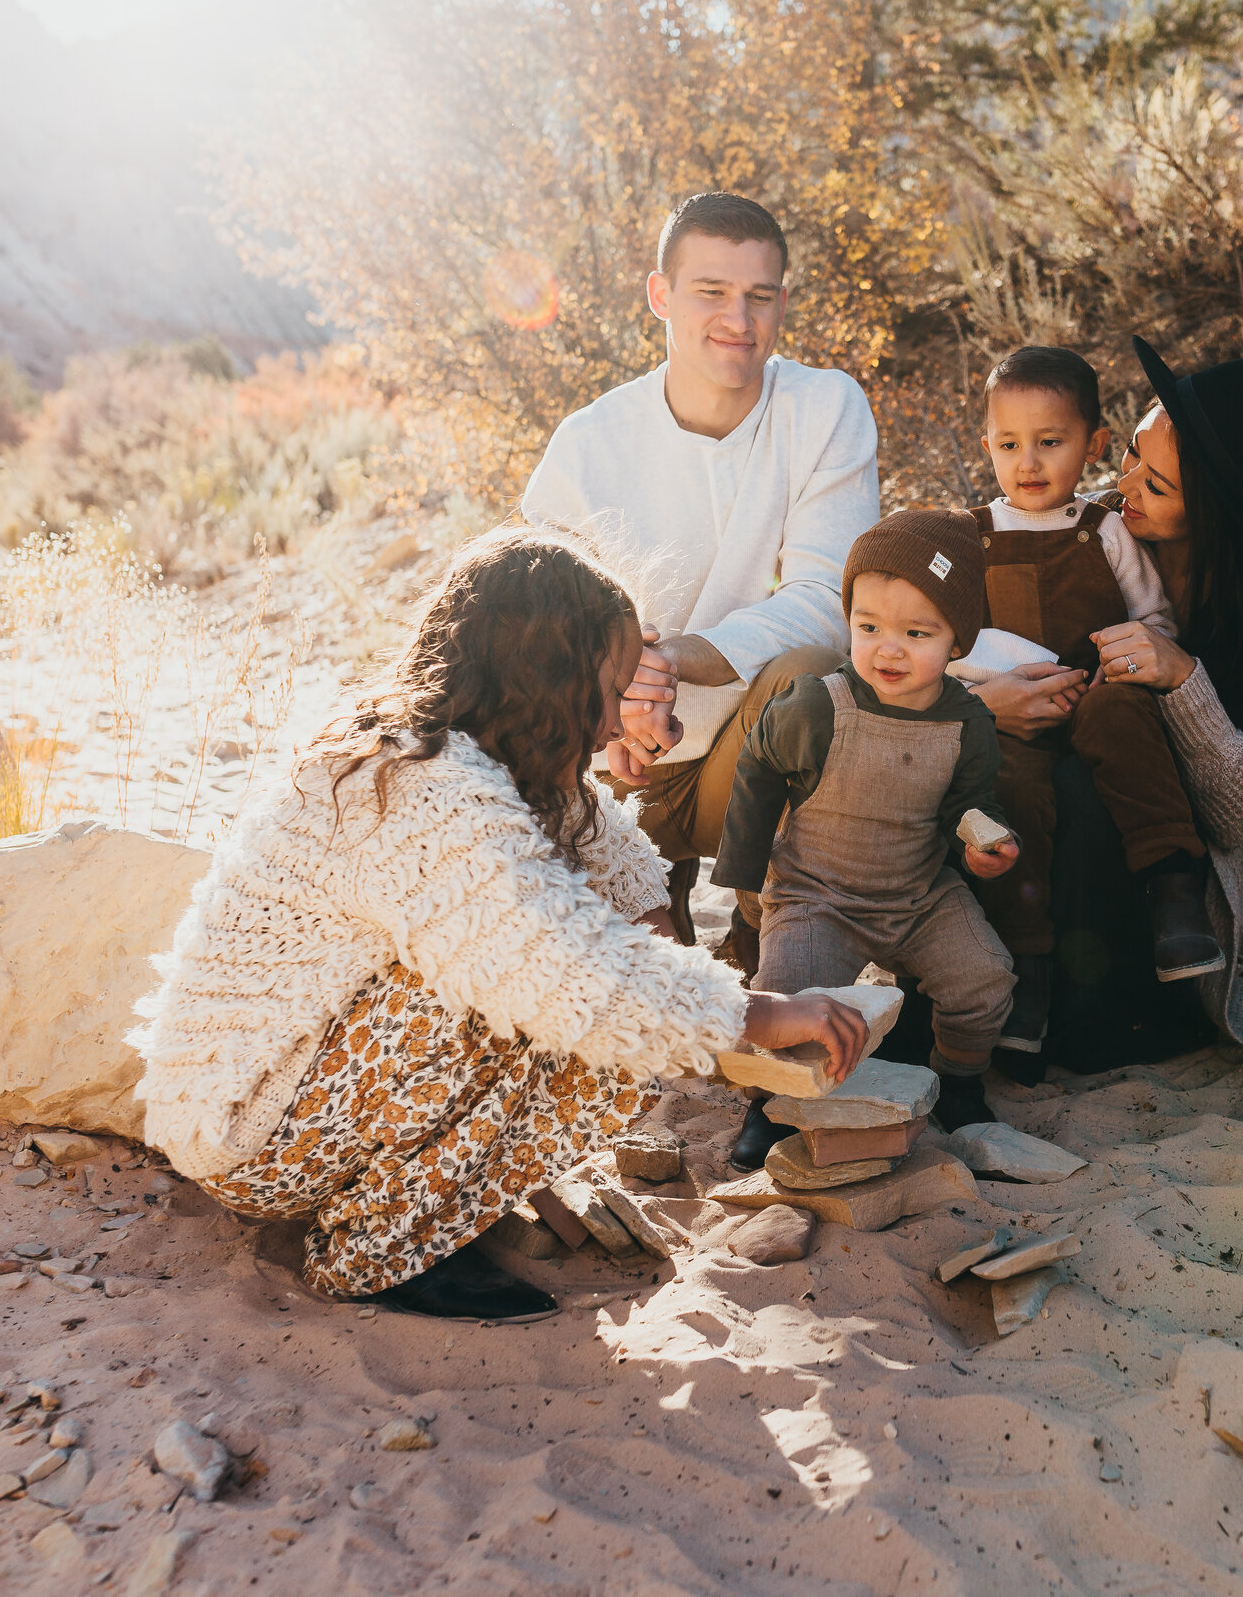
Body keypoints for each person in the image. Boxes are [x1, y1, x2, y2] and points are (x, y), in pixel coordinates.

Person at [126, 528, 867, 1321]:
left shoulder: (475, 755)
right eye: (612, 691)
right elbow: (572, 971)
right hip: (249, 1125)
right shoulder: (424, 788)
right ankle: (376, 1250)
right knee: (537, 992)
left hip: (292, 1088)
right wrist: (762, 1013)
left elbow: (614, 861)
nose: (620, 719)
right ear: (546, 682)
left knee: (599, 988)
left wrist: (669, 952)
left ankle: (421, 1202)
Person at [520, 192, 878, 952]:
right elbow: (533, 633)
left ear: (783, 303)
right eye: (711, 292)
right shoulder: (589, 444)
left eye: (759, 296)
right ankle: (656, 884)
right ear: (661, 295)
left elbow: (828, 601)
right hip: (612, 770)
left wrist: (670, 659)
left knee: (817, 678)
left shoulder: (824, 408)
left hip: (743, 761)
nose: (737, 321)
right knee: (636, 975)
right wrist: (616, 693)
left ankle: (761, 914)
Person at [967, 337, 1243, 1068]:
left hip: (1153, 887)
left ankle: (1116, 1002)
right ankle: (1010, 985)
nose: (1124, 481)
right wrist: (989, 704)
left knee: (1087, 772)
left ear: (1218, 512)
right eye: (1131, 451)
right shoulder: (1081, 529)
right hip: (1034, 838)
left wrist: (1181, 680)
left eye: (1156, 484)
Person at [715, 510, 1021, 1153]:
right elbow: (760, 770)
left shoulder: (968, 722)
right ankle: (768, 1109)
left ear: (957, 641)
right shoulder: (816, 704)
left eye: (917, 632)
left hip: (918, 894)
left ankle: (960, 1082)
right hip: (817, 894)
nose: (889, 648)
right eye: (869, 626)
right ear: (848, 621)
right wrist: (745, 882)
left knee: (985, 978)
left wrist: (984, 840)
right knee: (788, 997)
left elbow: (965, 804)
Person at [966, 347, 1224, 1065]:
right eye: (1010, 444)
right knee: (1012, 791)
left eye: (1051, 443)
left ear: (1094, 446)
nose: (1030, 462)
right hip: (1015, 714)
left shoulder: (1102, 529)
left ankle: (1174, 890)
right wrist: (990, 692)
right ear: (986, 445)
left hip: (1097, 700)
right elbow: (950, 647)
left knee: (1120, 719)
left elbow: (1156, 623)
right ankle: (1031, 969)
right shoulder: (975, 536)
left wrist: (1120, 668)